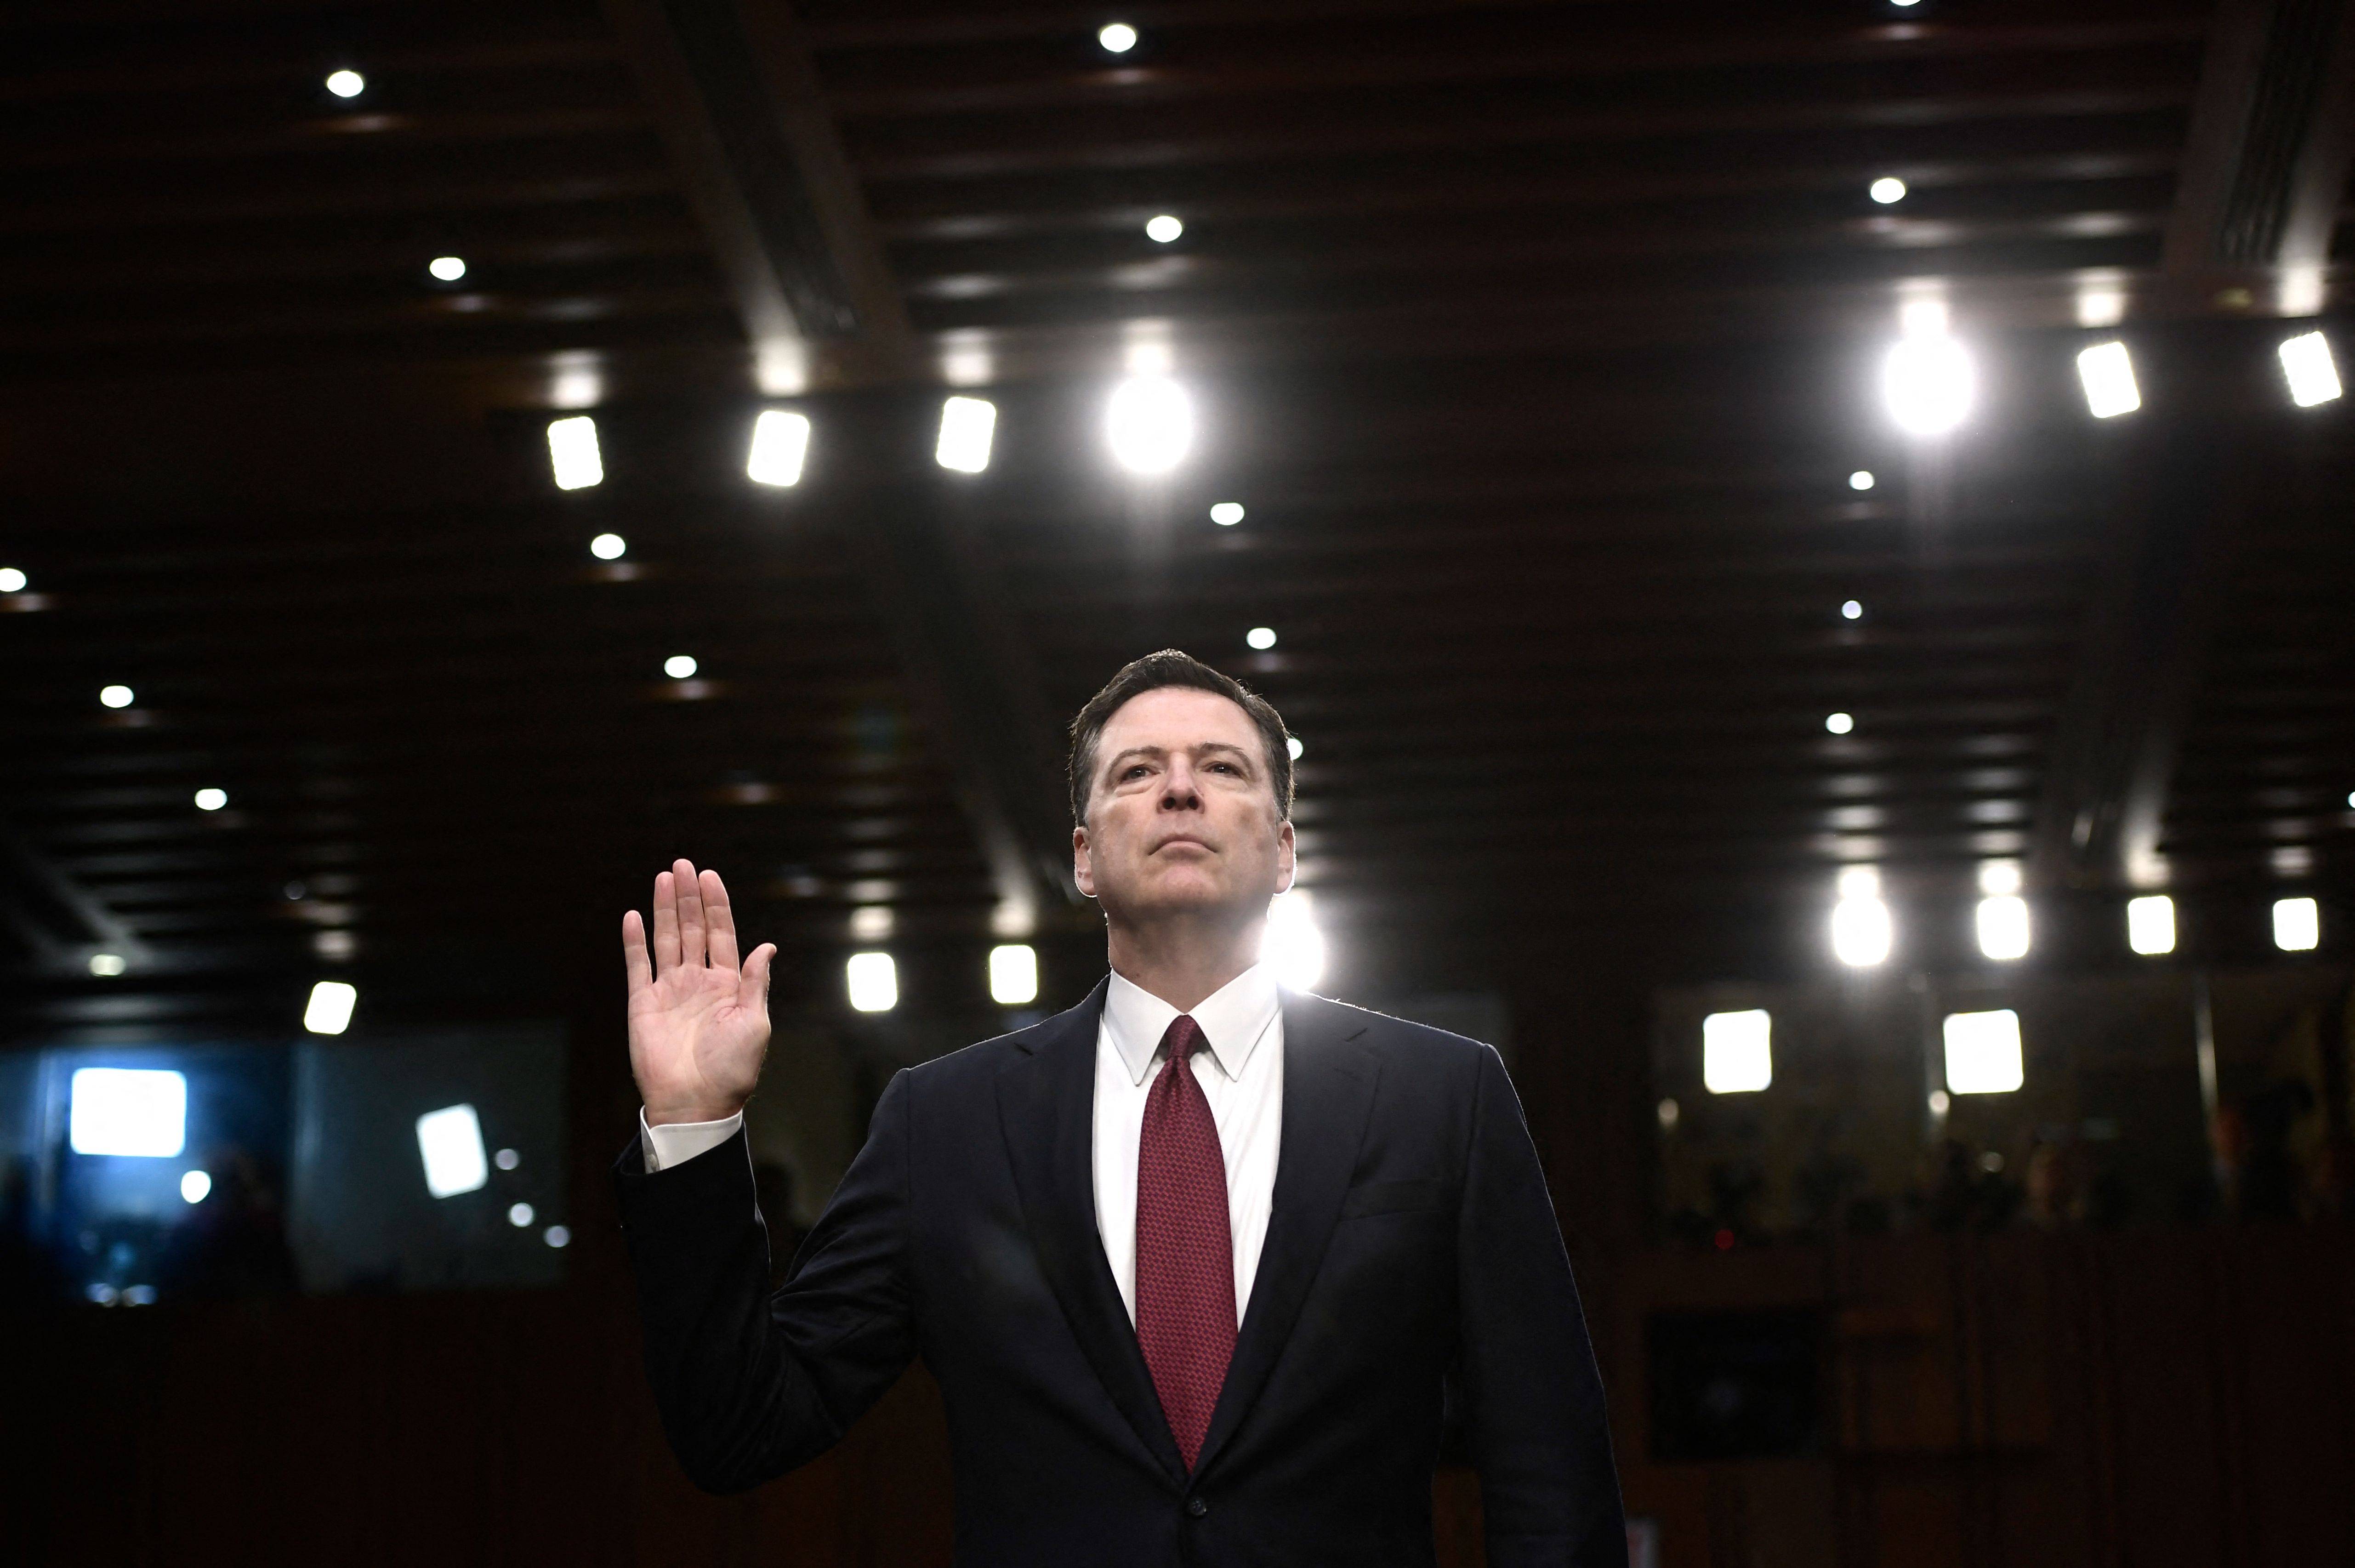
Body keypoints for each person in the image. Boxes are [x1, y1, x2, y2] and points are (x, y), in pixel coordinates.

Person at [614, 649, 1625, 1566]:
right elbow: (744, 1425)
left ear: (1283, 850)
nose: (1179, 786)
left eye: (1222, 767)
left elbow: (1549, 1467)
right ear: (1086, 855)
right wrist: (694, 1124)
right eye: (1136, 771)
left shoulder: (1442, 1095)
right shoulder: (946, 1120)